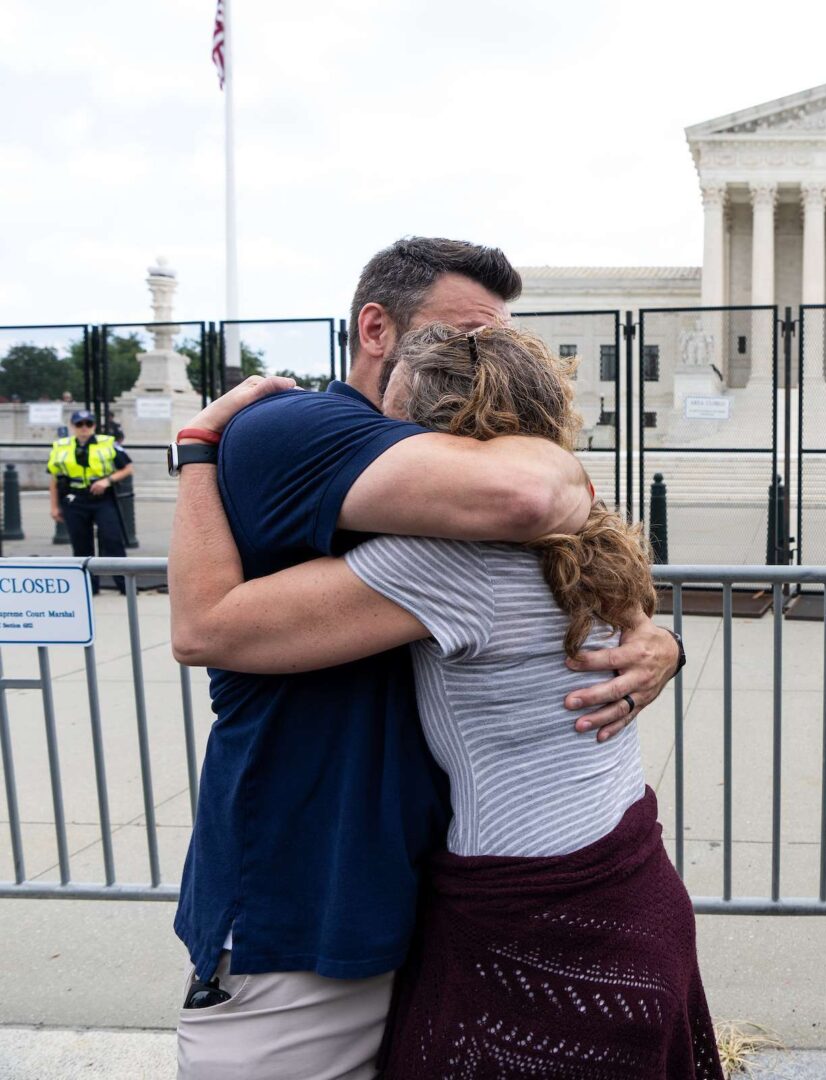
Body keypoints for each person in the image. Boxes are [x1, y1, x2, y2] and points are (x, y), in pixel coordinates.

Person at [166, 237, 683, 1080]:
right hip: (320, 901)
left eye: (486, 343)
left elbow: (536, 512)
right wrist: (195, 451)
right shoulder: (306, 427)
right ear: (378, 331)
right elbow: (537, 498)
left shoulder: (464, 540)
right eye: (454, 336)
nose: (468, 351)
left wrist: (662, 643)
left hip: (455, 902)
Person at [47, 409, 131, 594]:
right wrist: (54, 506)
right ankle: (89, 587)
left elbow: (127, 468)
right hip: (74, 499)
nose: (84, 428)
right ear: (73, 426)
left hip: (102, 498)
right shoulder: (61, 446)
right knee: (81, 544)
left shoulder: (107, 443)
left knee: (112, 539)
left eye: (88, 424)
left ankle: (125, 585)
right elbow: (54, 479)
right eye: (79, 424)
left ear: (93, 425)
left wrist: (107, 481)